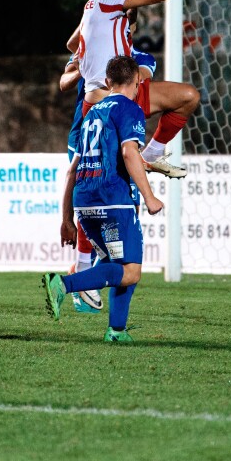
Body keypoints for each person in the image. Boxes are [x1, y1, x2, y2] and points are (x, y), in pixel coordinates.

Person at [42, 55, 164, 342]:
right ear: (138, 82)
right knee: (131, 272)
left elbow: (72, 169)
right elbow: (128, 152)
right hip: (113, 200)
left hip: (85, 202)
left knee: (118, 266)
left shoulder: (91, 113)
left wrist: (66, 218)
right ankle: (62, 284)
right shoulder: (130, 109)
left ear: (107, 82)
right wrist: (149, 197)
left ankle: (116, 331)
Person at [66, 0, 209, 178]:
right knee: (102, 175)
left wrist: (87, 46)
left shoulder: (100, 11)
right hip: (103, 104)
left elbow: (72, 43)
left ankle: (151, 155)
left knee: (188, 96)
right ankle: (71, 214)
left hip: (124, 97)